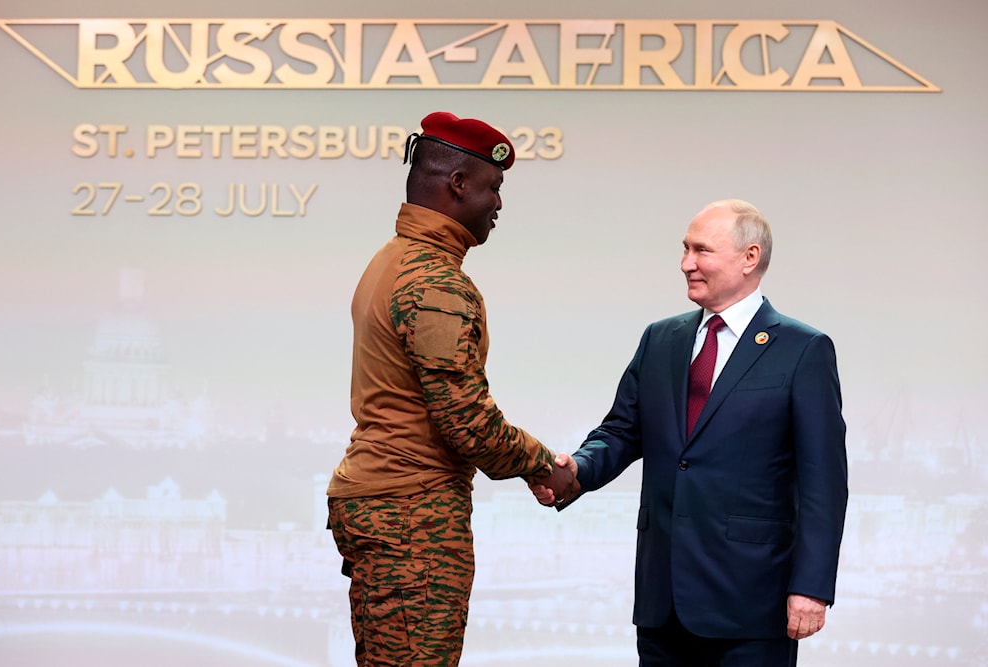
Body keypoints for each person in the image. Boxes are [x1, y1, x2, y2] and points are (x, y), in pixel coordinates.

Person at [533, 199, 848, 666]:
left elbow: (824, 481)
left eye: (701, 250)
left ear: (750, 257)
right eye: (684, 249)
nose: (686, 264)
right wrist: (575, 470)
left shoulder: (804, 350)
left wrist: (812, 587)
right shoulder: (660, 339)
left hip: (752, 604)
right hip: (663, 603)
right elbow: (621, 431)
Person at [327, 111, 578, 667]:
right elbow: (467, 424)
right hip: (411, 516)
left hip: (384, 504)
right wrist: (543, 464)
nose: (499, 203)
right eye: (494, 187)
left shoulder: (392, 261)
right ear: (458, 183)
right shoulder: (436, 281)